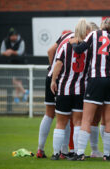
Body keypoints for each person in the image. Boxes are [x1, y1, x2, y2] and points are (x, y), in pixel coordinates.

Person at [71, 18, 110, 161]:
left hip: (96, 79)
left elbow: (80, 50)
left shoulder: (94, 34)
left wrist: (74, 43)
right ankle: (106, 154)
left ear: (102, 26)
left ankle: (80, 153)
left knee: (87, 118)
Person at [50, 19, 91, 160]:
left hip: (64, 88)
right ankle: (78, 152)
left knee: (60, 122)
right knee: (78, 122)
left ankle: (56, 153)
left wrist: (53, 80)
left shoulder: (66, 46)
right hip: (81, 89)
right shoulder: (88, 47)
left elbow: (58, 64)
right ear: (86, 31)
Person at [36, 30, 74, 158]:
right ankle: (63, 151)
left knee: (49, 114)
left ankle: (40, 149)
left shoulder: (66, 35)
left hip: (50, 76)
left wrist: (53, 67)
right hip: (61, 79)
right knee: (65, 115)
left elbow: (50, 50)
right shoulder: (78, 39)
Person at [0, 28, 28, 104]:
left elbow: (20, 52)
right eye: (12, 36)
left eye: (15, 36)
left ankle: (23, 92)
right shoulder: (5, 41)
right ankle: (19, 95)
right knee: (16, 81)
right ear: (9, 36)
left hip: (21, 63)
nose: (14, 37)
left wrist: (11, 51)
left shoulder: (21, 41)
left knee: (16, 81)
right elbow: (2, 51)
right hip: (11, 63)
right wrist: (6, 52)